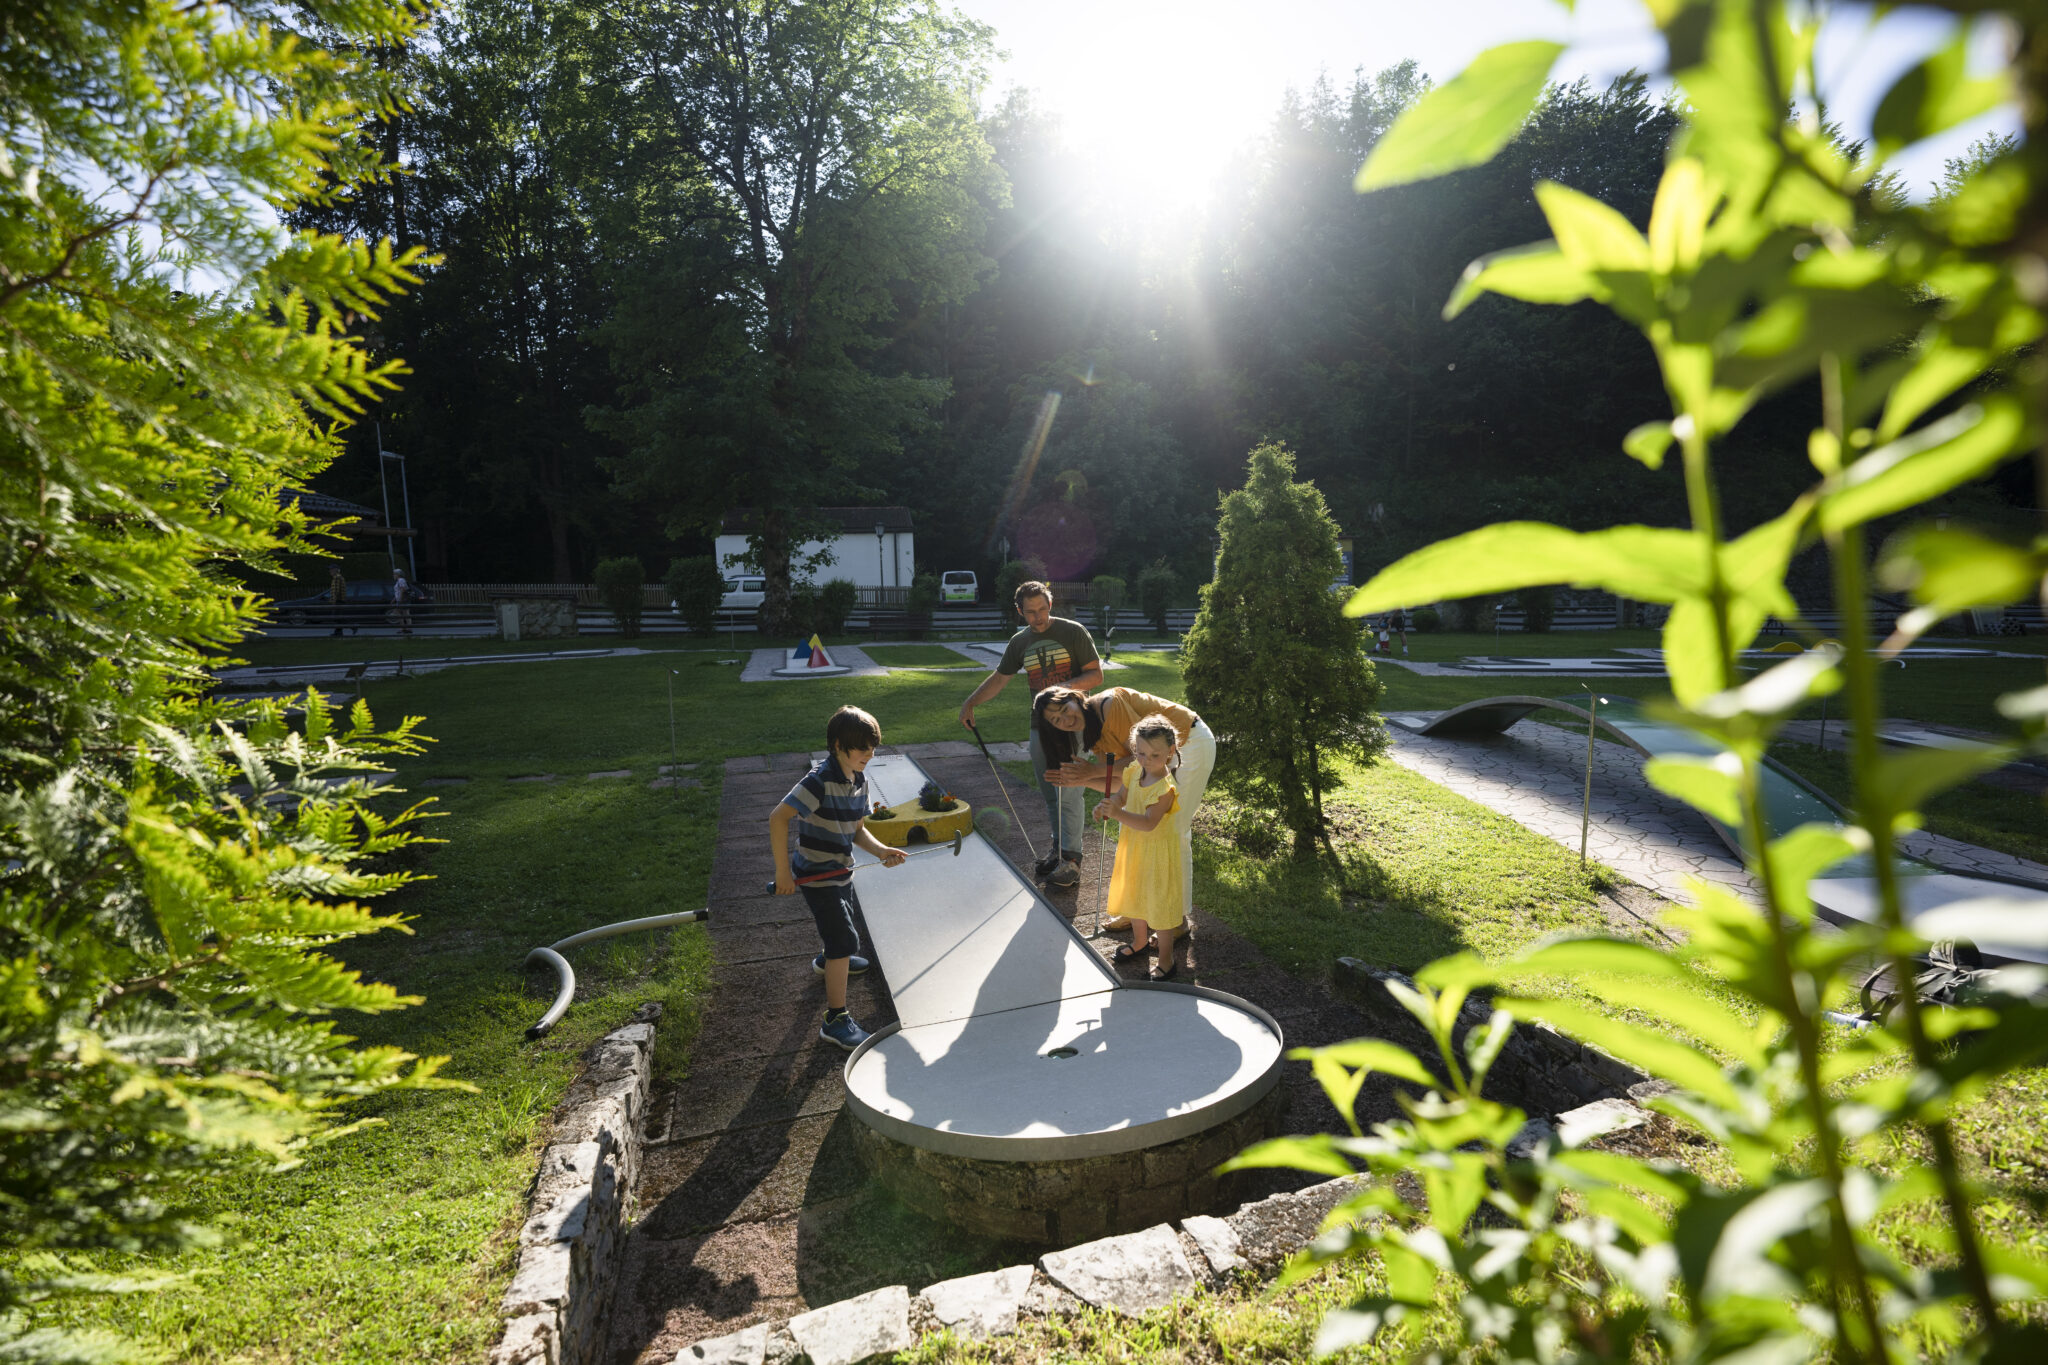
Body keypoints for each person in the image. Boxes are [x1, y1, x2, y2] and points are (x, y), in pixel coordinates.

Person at [769, 705, 905, 1050]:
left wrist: (881, 851)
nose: (868, 754)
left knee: (838, 931)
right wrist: (783, 871)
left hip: (840, 869)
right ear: (837, 745)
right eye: (861, 748)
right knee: (845, 940)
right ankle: (835, 1019)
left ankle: (828, 959)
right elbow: (777, 818)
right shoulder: (818, 782)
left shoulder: (859, 780)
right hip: (816, 873)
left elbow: (857, 830)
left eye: (872, 747)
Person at [958, 579, 1102, 888]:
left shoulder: (1073, 632)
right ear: (1019, 612)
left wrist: (1062, 688)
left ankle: (1072, 860)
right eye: (1030, 612)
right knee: (1051, 792)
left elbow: (1095, 675)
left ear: (1050, 605)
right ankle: (1058, 849)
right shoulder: (1019, 642)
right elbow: (999, 679)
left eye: (1042, 609)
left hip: (1074, 722)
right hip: (1041, 725)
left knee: (1070, 790)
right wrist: (971, 703)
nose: (1038, 617)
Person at [1034, 684, 1215, 929]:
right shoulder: (1094, 733)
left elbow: (1146, 755)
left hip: (1188, 743)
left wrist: (1093, 771)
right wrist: (1083, 780)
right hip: (1159, 759)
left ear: (1076, 698)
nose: (1065, 720)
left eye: (1065, 709)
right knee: (1132, 832)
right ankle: (1135, 911)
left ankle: (1176, 921)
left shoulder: (1109, 705)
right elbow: (1123, 783)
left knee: (1172, 831)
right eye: (1056, 719)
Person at [1096, 714, 1185, 980]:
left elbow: (1148, 823)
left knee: (1159, 905)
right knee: (1135, 896)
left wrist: (1117, 814)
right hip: (1134, 848)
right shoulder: (1135, 770)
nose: (1146, 760)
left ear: (1171, 752)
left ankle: (1167, 960)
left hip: (1157, 853)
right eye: (1140, 752)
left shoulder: (1166, 789)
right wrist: (1107, 806)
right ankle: (1139, 942)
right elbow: (1122, 797)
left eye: (1154, 755)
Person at [391, 567, 414, 635]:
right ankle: (406, 628)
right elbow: (398, 591)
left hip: (402, 600)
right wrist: (394, 599)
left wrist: (400, 599)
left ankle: (406, 628)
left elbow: (402, 589)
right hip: (401, 600)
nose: (393, 575)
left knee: (401, 613)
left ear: (398, 574)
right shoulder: (399, 581)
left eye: (394, 574)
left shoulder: (401, 580)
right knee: (404, 613)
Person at [327, 565, 346, 637]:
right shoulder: (338, 577)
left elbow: (336, 591)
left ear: (336, 570)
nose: (330, 571)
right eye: (330, 570)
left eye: (331, 570)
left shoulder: (337, 578)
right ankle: (338, 632)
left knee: (336, 617)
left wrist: (333, 601)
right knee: (338, 617)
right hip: (339, 600)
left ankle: (352, 625)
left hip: (338, 601)